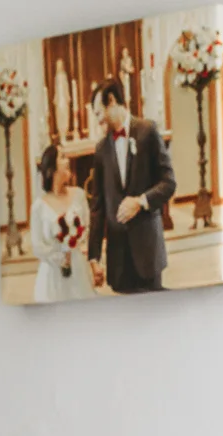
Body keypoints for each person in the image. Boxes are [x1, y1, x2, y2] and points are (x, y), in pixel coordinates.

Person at [86, 81, 174, 295]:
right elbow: (97, 207)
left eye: (99, 113)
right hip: (119, 258)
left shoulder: (147, 131)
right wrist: (94, 257)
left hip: (147, 250)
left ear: (112, 101)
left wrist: (141, 201)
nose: (97, 121)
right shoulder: (101, 150)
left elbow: (169, 183)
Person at [29, 146, 96, 304]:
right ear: (52, 169)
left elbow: (86, 227)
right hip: (52, 273)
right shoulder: (38, 207)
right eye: (63, 157)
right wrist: (60, 258)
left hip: (77, 265)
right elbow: (37, 247)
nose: (68, 161)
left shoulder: (79, 194)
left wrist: (74, 243)